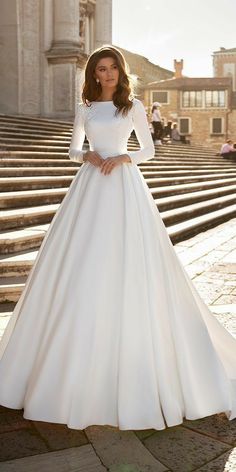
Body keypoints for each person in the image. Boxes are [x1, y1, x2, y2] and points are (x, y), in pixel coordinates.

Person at [0, 44, 236, 432]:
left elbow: (148, 151)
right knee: (79, 264)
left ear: (119, 72)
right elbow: (74, 148)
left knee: (128, 262)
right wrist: (87, 157)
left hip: (124, 186)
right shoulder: (86, 108)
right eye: (101, 69)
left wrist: (122, 157)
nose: (107, 74)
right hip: (90, 186)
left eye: (112, 68)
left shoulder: (133, 107)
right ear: (93, 73)